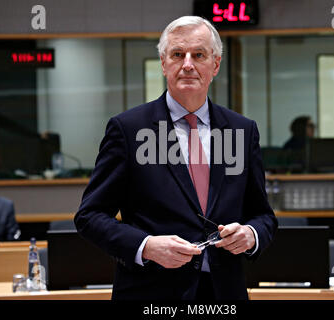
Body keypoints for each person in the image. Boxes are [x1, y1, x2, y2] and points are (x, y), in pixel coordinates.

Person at [74, 16, 277, 300]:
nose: (188, 64)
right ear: (163, 62)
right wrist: (146, 246)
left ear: (215, 65)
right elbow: (89, 216)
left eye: (199, 55)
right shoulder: (129, 130)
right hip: (150, 293)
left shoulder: (242, 130)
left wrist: (251, 235)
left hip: (224, 294)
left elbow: (264, 216)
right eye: (178, 54)